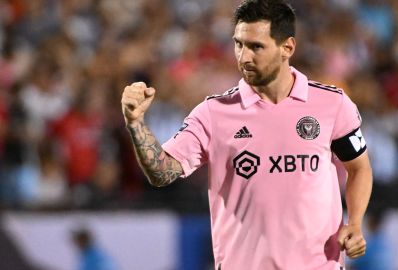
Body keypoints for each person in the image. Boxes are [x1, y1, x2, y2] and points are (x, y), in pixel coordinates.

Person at [121, 0, 372, 269]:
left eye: (256, 47)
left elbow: (359, 168)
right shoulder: (213, 113)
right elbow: (162, 172)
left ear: (287, 47)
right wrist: (136, 124)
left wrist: (355, 224)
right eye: (238, 44)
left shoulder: (331, 104)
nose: (243, 57)